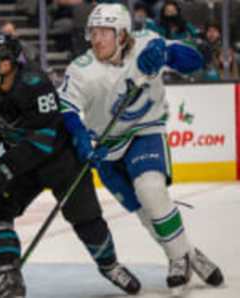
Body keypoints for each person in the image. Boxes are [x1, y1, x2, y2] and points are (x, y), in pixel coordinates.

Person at [58, 3, 224, 295]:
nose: (96, 39)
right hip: (106, 147)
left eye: (104, 32)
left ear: (122, 35)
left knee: (151, 190)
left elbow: (198, 59)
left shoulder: (148, 42)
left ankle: (176, 259)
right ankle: (189, 253)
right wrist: (80, 137)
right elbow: (67, 109)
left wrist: (169, 54)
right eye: (93, 32)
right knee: (146, 213)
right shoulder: (82, 69)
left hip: (145, 131)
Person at [0, 32, 140, 298]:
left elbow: (42, 141)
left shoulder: (35, 84)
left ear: (7, 63)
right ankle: (9, 279)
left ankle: (109, 265)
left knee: (86, 219)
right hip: (23, 163)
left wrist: (3, 167)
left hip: (61, 161)